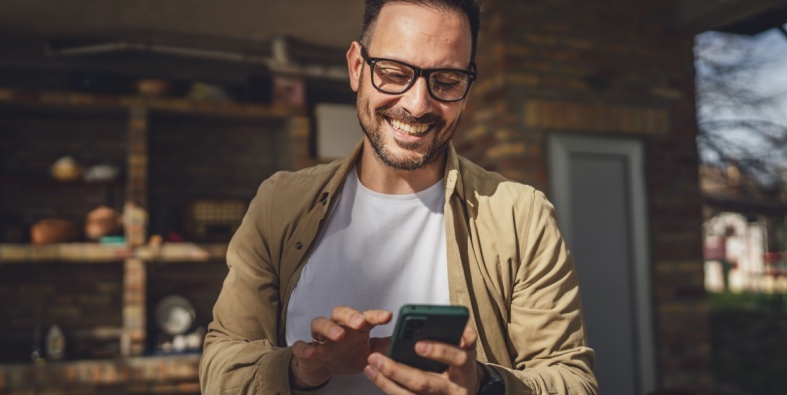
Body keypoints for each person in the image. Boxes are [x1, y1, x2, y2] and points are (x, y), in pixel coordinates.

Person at [199, 0, 597, 394]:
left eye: (446, 81)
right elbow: (221, 365)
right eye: (393, 73)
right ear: (357, 67)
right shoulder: (278, 204)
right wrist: (300, 371)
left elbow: (573, 381)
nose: (417, 104)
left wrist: (483, 386)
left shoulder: (520, 217)